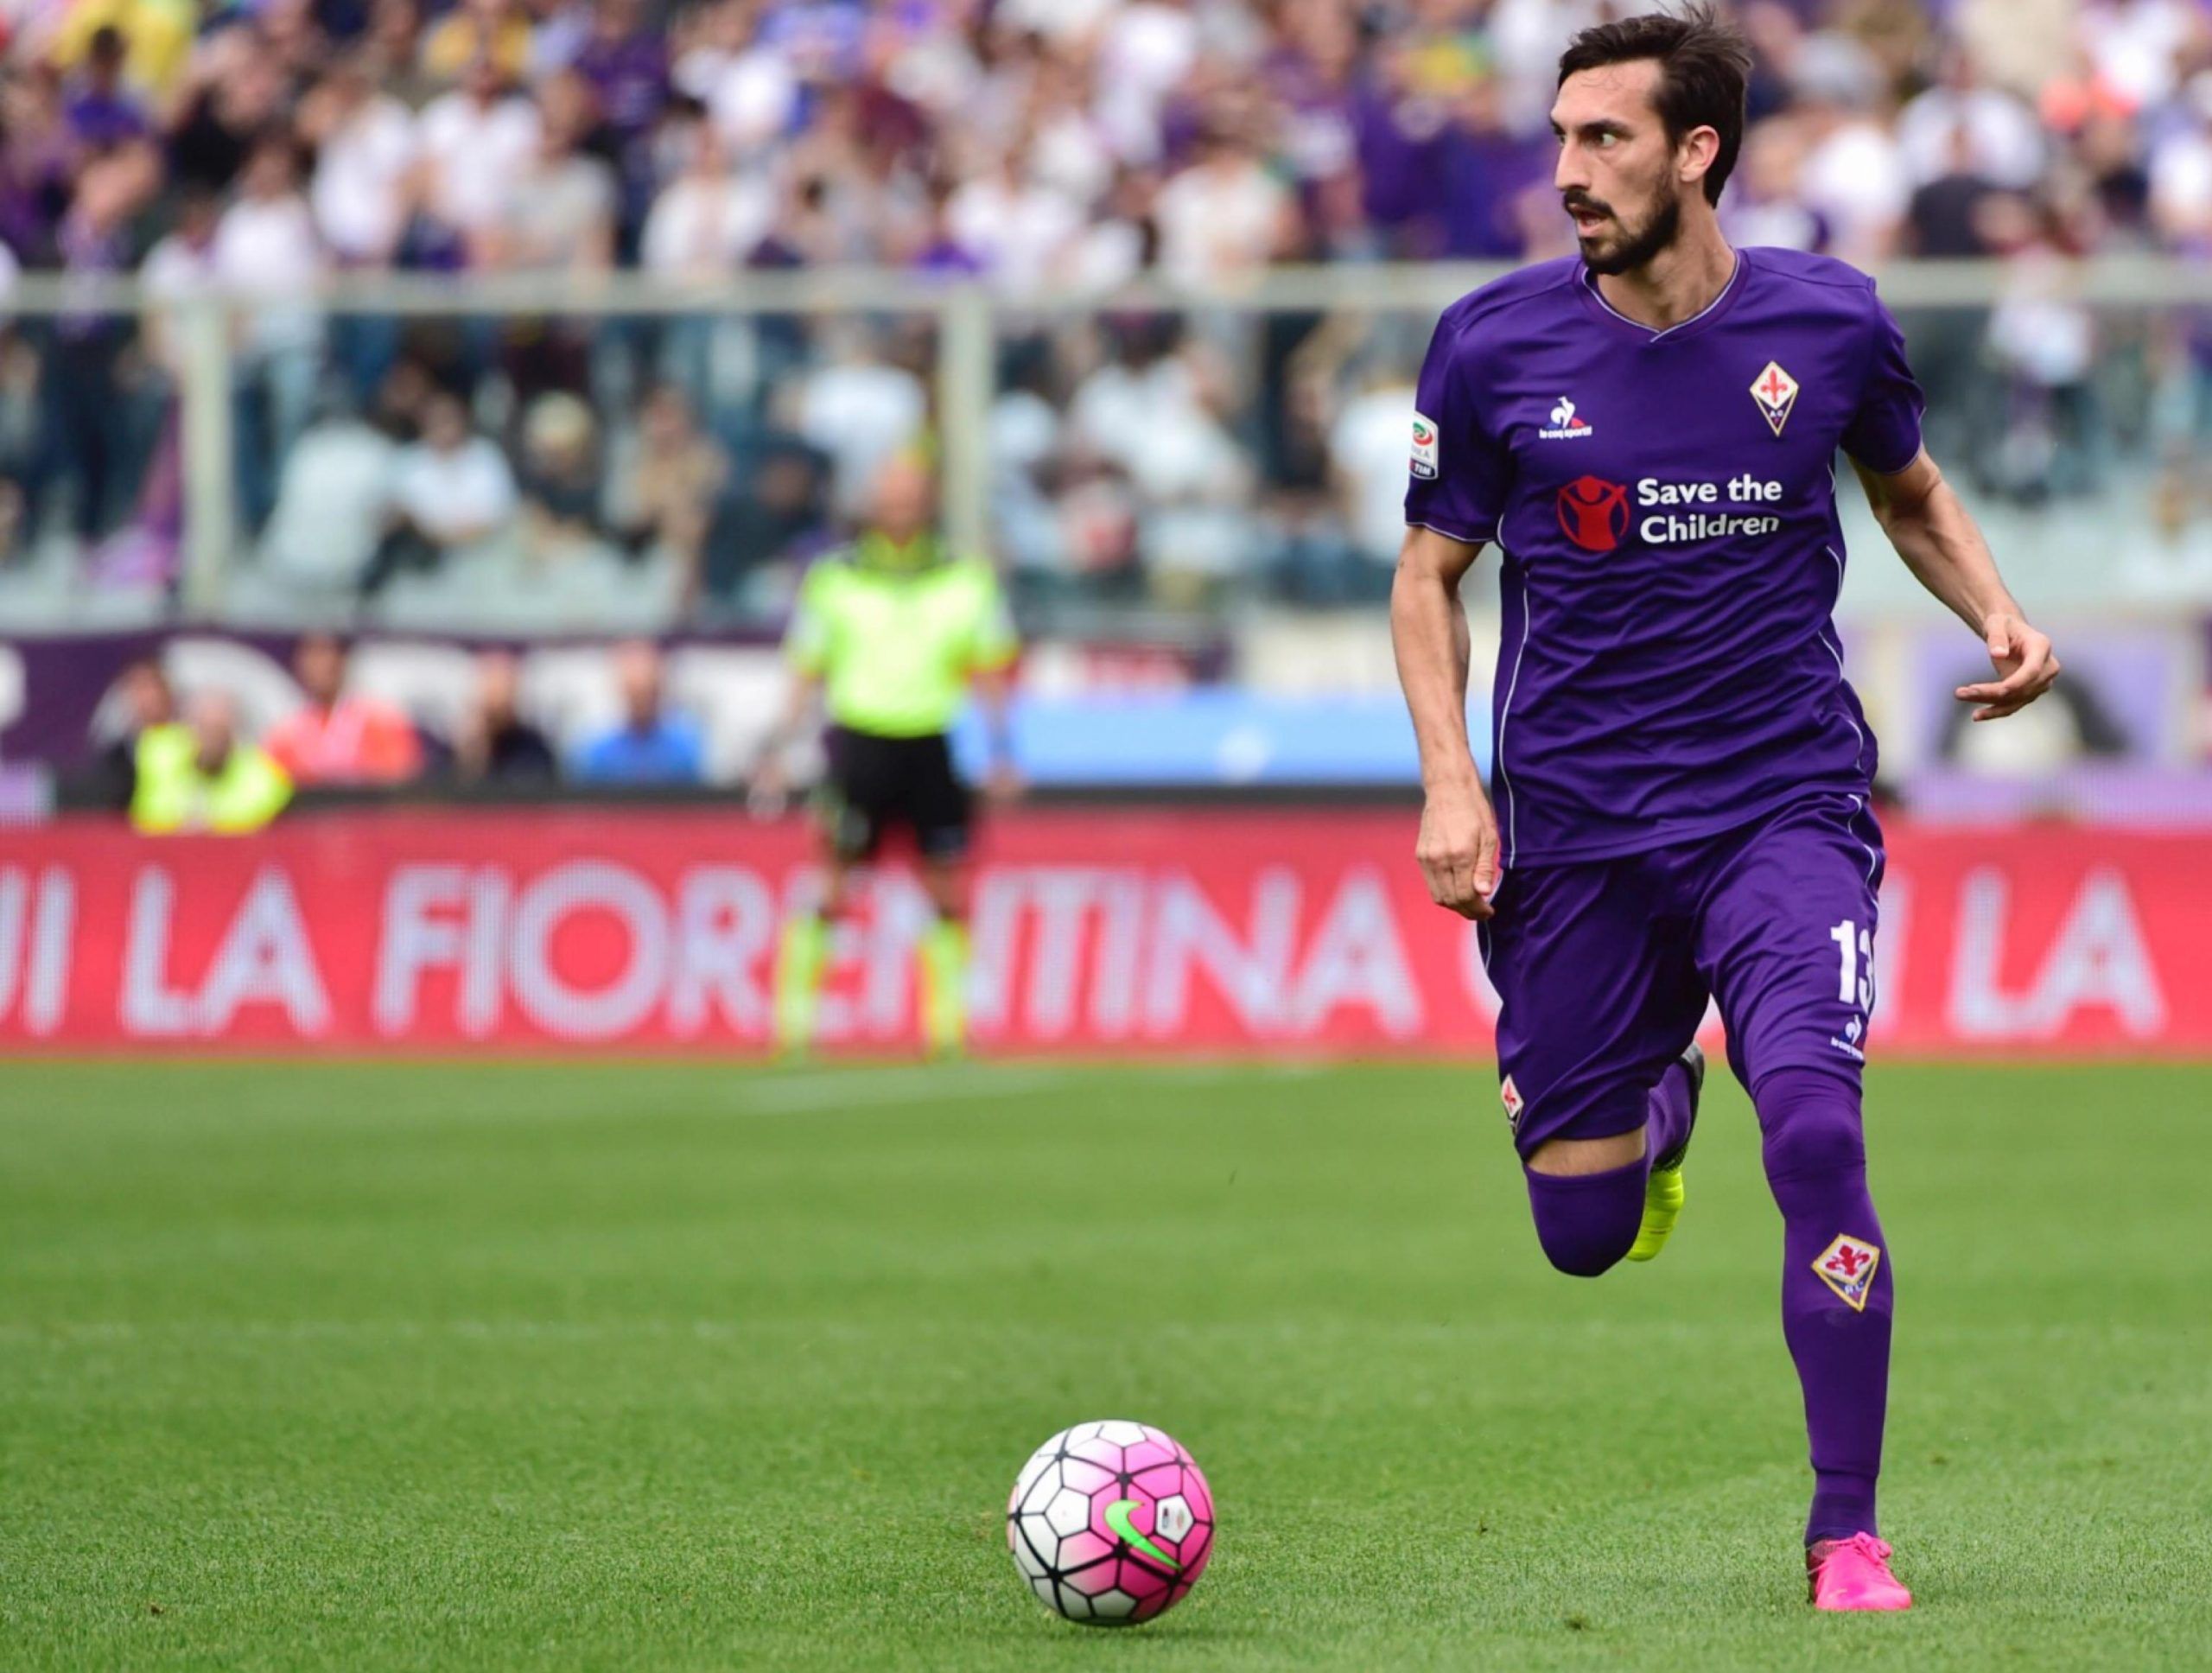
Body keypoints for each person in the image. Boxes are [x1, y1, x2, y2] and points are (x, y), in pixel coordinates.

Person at [1390, 8, 2060, 1615]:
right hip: (1577, 835)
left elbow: (1907, 487)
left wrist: (1996, 610)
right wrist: (1449, 781)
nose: (1569, 171)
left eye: (1604, 138)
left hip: (1784, 806)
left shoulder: (1829, 321)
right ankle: (1661, 1105)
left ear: (1696, 152)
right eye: (1561, 138)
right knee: (1581, 1230)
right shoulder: (1491, 345)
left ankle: (1847, 1532)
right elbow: (1427, 577)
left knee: (1817, 1127)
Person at [752, 453, 1020, 1059]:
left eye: (911, 496)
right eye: (891, 496)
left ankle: (948, 1027)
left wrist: (1003, 750)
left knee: (945, 884)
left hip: (930, 738)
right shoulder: (833, 578)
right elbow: (806, 670)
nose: (900, 507)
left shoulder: (966, 577)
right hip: (860, 741)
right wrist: (778, 747)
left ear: (928, 503)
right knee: (834, 879)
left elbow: (989, 670)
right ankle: (794, 1022)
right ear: (872, 504)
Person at [264, 632, 424, 787]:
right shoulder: (287, 733)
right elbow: (272, 782)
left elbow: (402, 782)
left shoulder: (382, 722)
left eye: (323, 653)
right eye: (309, 655)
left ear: (342, 660)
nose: (315, 664)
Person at [130, 690, 293, 834]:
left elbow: (251, 820)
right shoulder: (159, 756)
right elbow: (148, 817)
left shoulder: (263, 773)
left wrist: (199, 825)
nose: (210, 741)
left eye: (218, 731)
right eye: (203, 728)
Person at [569, 639, 706, 785]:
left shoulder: (685, 747)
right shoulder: (599, 751)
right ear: (623, 692)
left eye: (648, 692)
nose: (642, 701)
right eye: (636, 694)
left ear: (659, 689)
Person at [450, 649, 557, 786]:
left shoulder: (532, 748)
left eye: (504, 688)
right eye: (491, 685)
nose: (497, 697)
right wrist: (475, 748)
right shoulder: (461, 742)